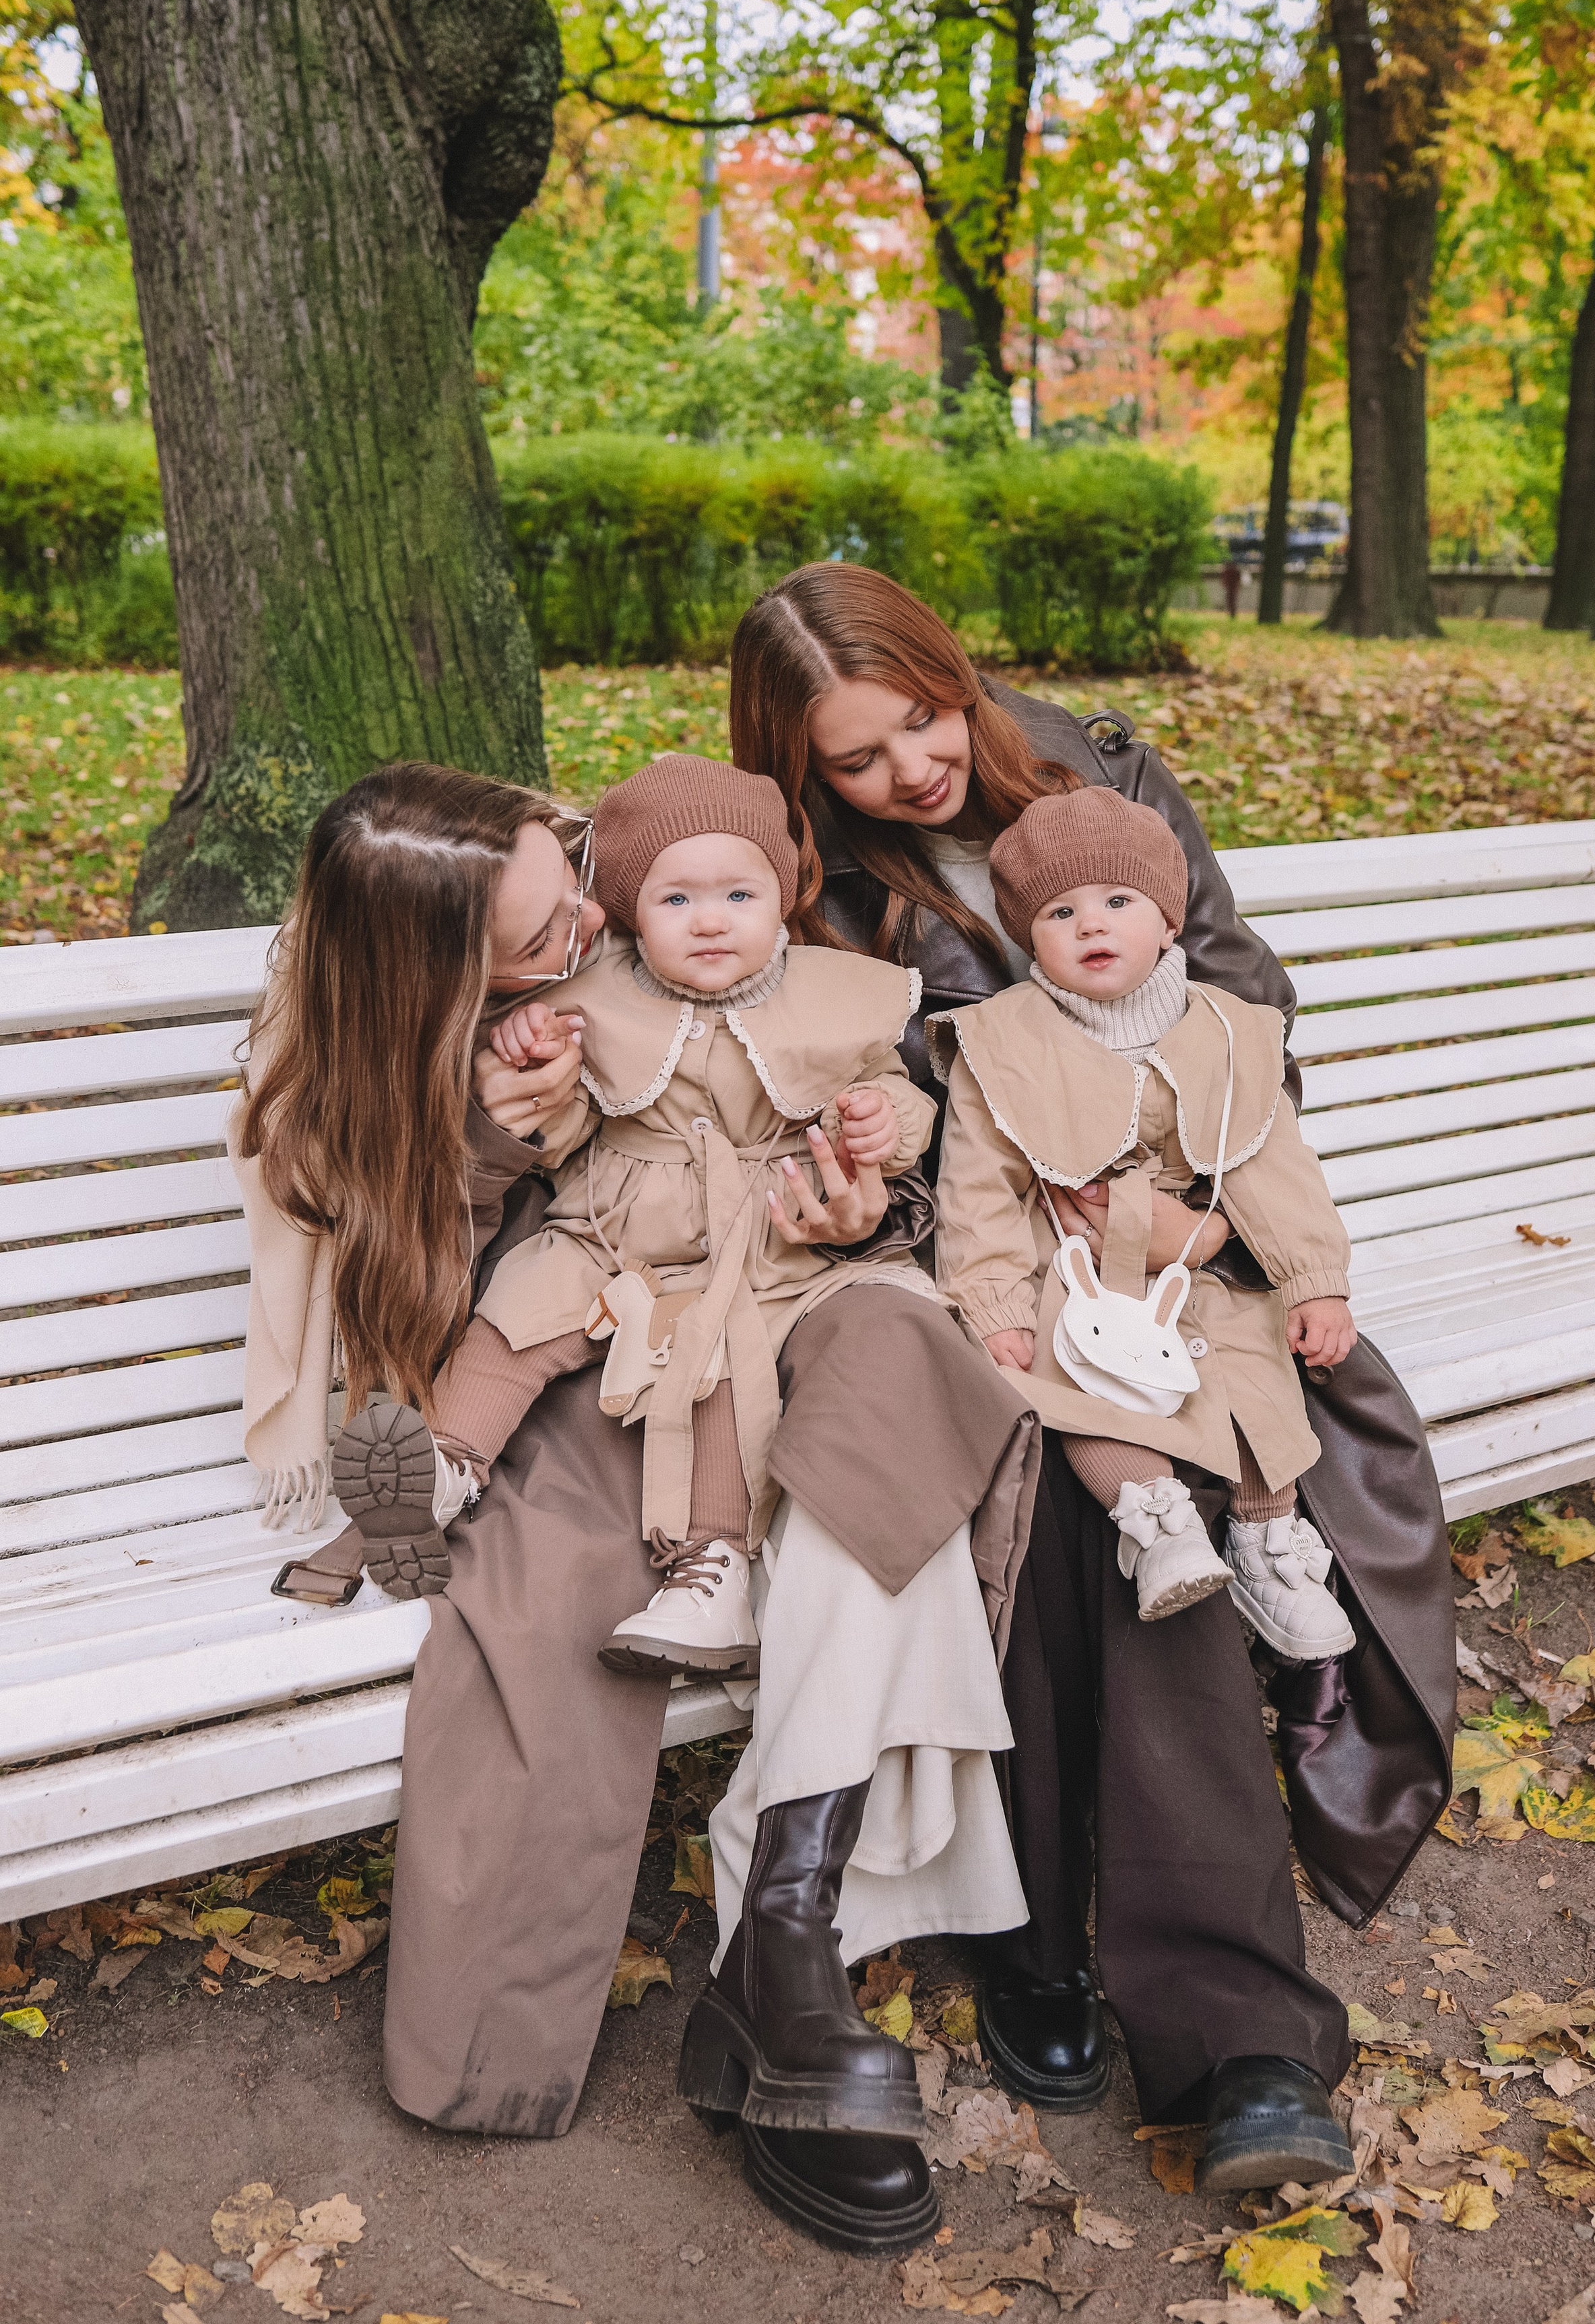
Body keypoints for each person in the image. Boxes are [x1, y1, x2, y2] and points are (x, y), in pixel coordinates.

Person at [232, 761, 1042, 2252]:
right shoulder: (389, 1046)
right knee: (539, 1619)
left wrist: (861, 1204)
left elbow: (833, 1088)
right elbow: (393, 1327)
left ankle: (780, 1936)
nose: (595, 929)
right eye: (552, 934)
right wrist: (487, 1142)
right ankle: (772, 1977)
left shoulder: (657, 929)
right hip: (591, 1370)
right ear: (448, 971)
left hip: (799, 1305)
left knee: (894, 1397)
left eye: (580, 880)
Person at [729, 561, 1456, 2194]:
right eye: (857, 760)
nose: (910, 769)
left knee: (1165, 1503)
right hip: (977, 1282)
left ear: (951, 671)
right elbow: (837, 1104)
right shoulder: (820, 892)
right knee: (1057, 1484)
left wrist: (1179, 1207)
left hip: (1199, 1257)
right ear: (803, 776)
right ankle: (1040, 1935)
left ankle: (1234, 2029)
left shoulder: (1103, 775)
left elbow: (1251, 1004)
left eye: (920, 719)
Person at [325, 754, 938, 1683]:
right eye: (675, 902)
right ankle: (443, 1462)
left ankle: (713, 1567)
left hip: (757, 1239)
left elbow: (895, 1096)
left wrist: (883, 1128)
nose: (709, 920)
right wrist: (535, 1074)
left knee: (730, 1367)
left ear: (783, 895)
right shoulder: (598, 993)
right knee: (524, 1306)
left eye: (740, 893)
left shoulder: (829, 993)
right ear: (634, 907)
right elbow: (568, 1131)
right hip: (610, 1228)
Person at [930, 788, 1356, 1663]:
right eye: (1061, 910)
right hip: (1070, 1259)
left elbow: (1271, 1167)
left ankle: (1269, 1541)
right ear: (1030, 937)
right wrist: (995, 1301)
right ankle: (1156, 1524)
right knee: (1073, 1378)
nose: (1093, 924)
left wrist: (1315, 1278)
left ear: (1168, 922)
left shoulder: (1227, 1031)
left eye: (1119, 902)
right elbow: (977, 1184)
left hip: (1187, 1261)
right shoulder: (1005, 1041)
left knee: (1250, 1361)